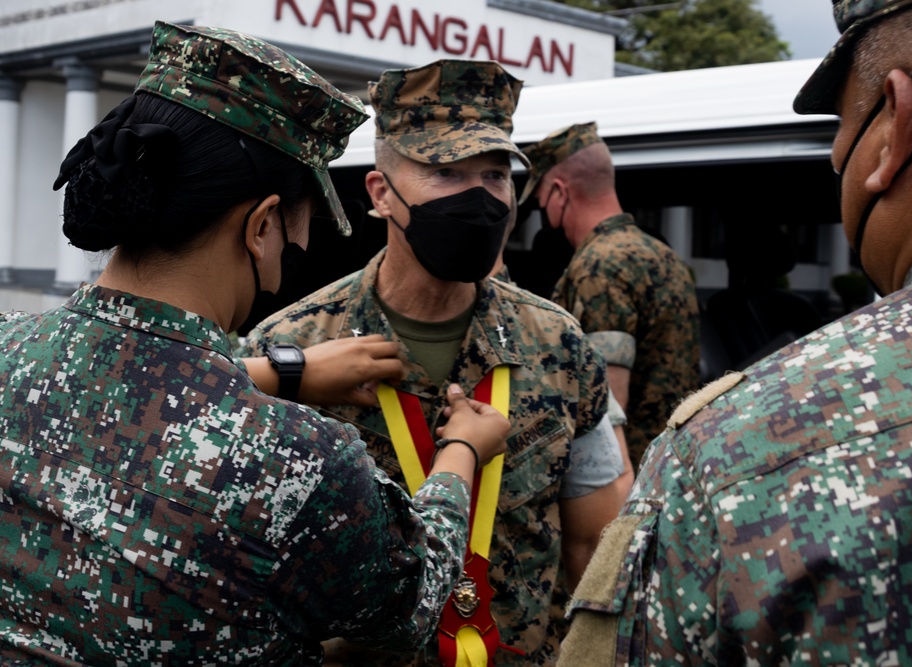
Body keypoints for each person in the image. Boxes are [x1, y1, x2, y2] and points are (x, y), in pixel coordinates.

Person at [0, 21, 511, 666]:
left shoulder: (8, 348)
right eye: (304, 220)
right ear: (263, 224)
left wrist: (279, 373)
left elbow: (130, 380)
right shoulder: (300, 458)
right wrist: (461, 451)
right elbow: (412, 603)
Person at [557, 0, 912, 664]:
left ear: (895, 123)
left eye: (843, 127)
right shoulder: (665, 262)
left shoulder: (736, 453)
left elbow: (608, 412)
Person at [241, 59, 630, 666]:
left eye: (496, 175)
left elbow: (597, 547)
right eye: (445, 172)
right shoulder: (291, 347)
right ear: (380, 195)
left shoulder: (558, 343)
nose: (478, 197)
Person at [520, 122, 701, 470]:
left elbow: (607, 408)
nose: (544, 213)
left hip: (628, 476)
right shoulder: (664, 255)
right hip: (674, 462)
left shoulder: (598, 266)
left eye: (542, 200)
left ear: (560, 192)